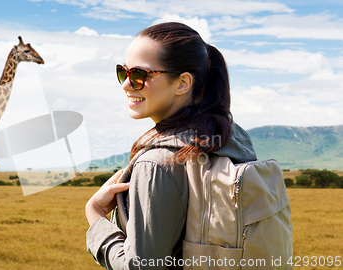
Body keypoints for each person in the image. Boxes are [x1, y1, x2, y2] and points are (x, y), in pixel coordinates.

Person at [85, 22, 257, 269]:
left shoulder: (156, 164)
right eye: (123, 73)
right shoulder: (232, 138)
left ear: (182, 83)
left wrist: (95, 215)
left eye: (139, 75)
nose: (126, 85)